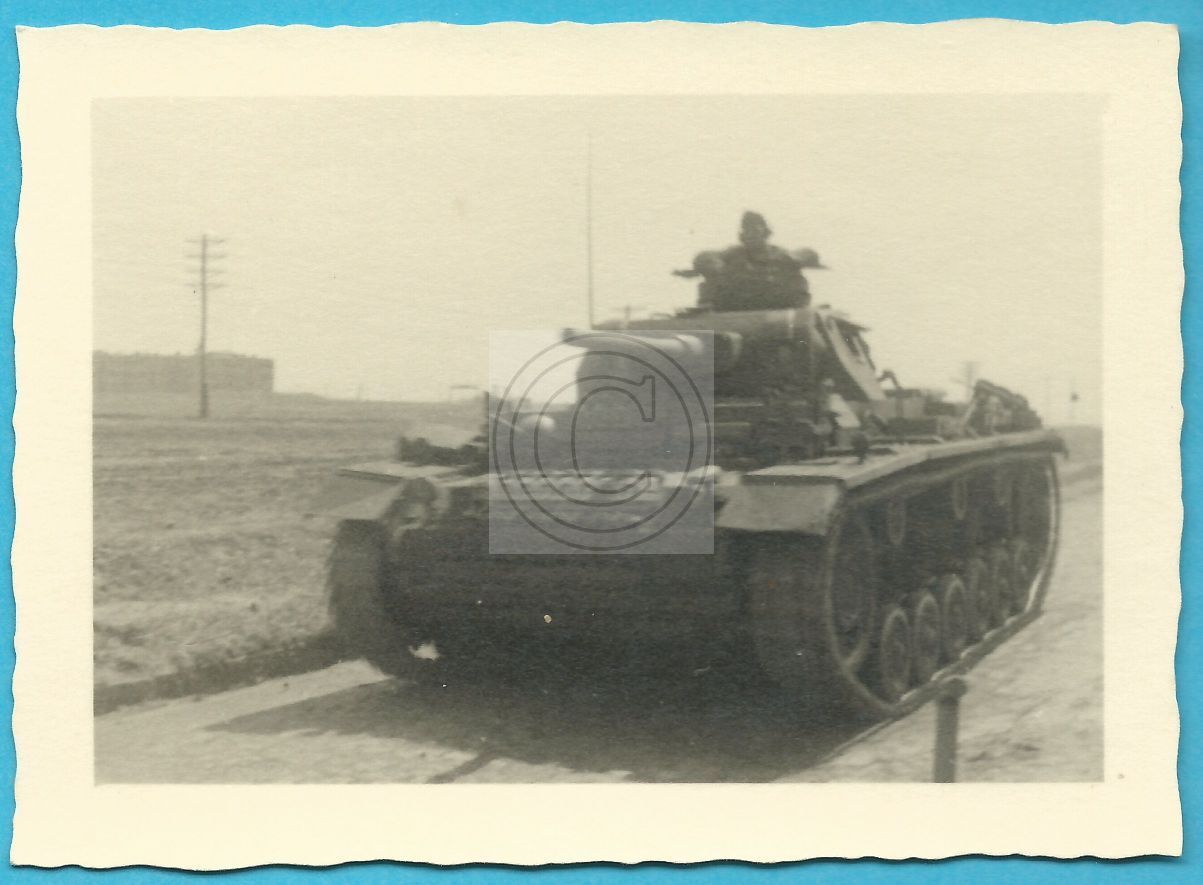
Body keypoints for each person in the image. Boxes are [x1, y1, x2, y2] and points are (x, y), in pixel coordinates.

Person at [674, 212, 826, 311]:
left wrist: (796, 259)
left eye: (755, 231)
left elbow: (808, 254)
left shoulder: (781, 255)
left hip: (778, 306)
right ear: (742, 236)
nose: (751, 236)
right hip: (735, 306)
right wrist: (714, 266)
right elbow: (706, 257)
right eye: (747, 232)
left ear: (765, 233)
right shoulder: (732, 254)